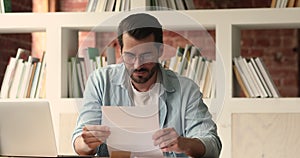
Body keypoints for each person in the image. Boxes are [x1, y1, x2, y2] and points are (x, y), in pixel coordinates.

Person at [72, 13, 222, 158]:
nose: (138, 65)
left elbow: (213, 145)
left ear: (160, 50)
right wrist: (87, 143)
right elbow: (79, 142)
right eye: (130, 55)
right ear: (121, 51)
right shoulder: (101, 81)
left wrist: (185, 144)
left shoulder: (186, 90)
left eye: (146, 56)